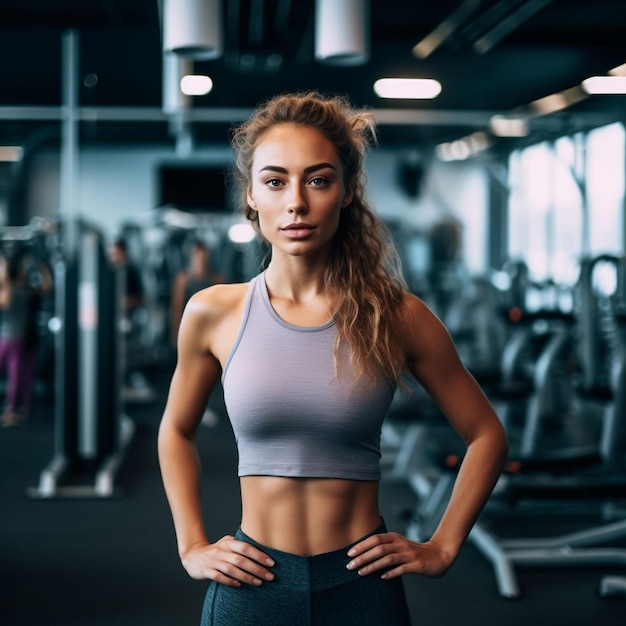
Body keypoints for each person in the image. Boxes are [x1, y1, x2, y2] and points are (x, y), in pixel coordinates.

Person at [158, 91, 508, 625]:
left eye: (318, 179)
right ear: (252, 194)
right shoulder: (213, 311)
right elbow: (175, 431)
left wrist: (441, 546)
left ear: (346, 192)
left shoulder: (396, 314)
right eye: (275, 181)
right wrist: (191, 545)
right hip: (253, 582)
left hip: (362, 586)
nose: (296, 201)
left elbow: (486, 434)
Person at [0, 251, 53, 427]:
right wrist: (42, 268)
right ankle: (21, 409)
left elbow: (5, 294)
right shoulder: (25, 291)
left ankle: (12, 411)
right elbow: (47, 287)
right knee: (21, 375)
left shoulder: (12, 291)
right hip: (23, 338)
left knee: (17, 376)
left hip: (12, 339)